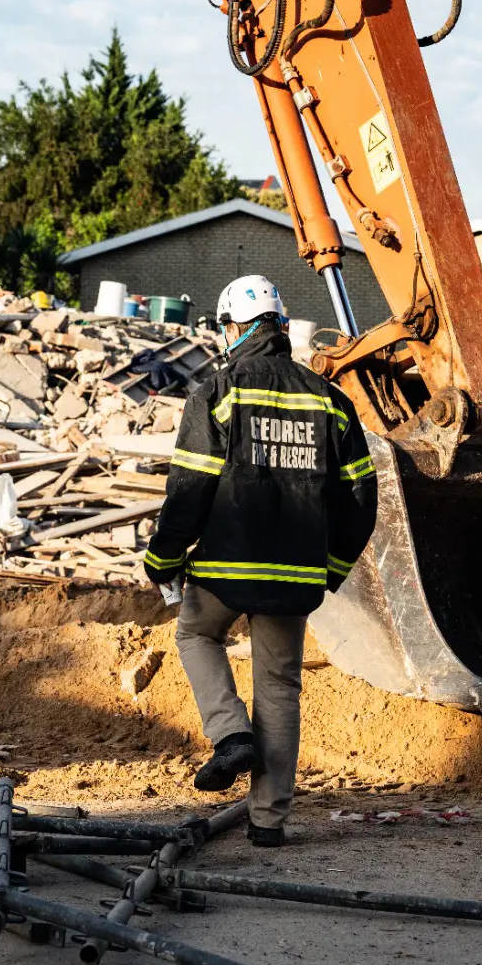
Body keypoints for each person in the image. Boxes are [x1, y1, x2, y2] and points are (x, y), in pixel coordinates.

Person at [143, 275, 378, 847]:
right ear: (278, 325)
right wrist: (329, 571)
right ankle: (268, 822)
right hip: (295, 574)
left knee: (196, 635)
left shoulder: (218, 391)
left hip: (224, 566)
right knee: (278, 685)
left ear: (234, 327)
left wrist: (162, 557)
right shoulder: (332, 400)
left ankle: (229, 736)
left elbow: (189, 489)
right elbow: (361, 502)